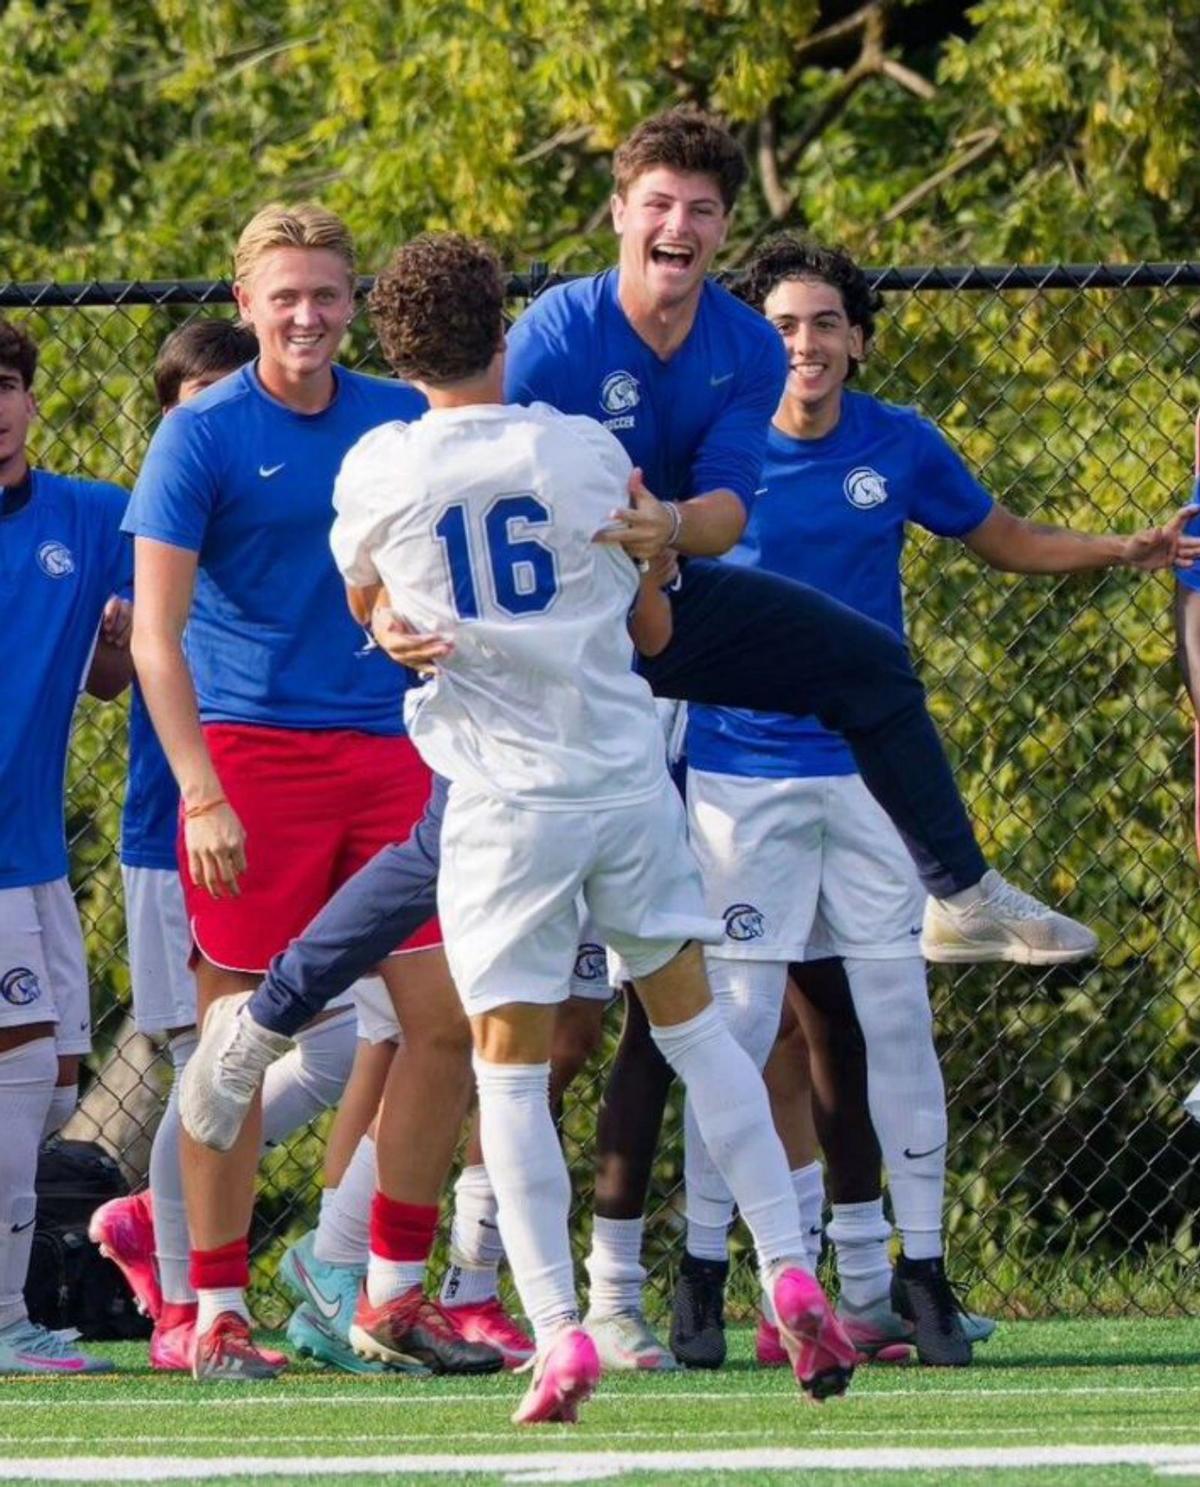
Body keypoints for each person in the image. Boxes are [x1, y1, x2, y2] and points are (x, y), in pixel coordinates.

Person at [179, 108, 1096, 1360]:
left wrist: (648, 543)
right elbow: (567, 542)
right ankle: (627, 1283)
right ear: (613, 218)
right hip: (571, 656)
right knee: (621, 1009)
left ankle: (959, 890)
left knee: (860, 671)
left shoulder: (695, 359)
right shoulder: (564, 377)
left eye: (703, 210)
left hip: (581, 629)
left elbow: (712, 518)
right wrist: (620, 567)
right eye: (659, 203)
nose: (680, 226)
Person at [328, 230, 859, 1422]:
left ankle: (561, 1332)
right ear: (504, 332)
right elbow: (655, 627)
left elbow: (367, 597)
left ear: (394, 351)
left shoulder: (378, 466)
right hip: (621, 781)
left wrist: (388, 622)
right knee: (701, 1033)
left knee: (512, 1078)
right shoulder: (583, 451)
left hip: (503, 805)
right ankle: (788, 1266)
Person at [674, 231, 1200, 1368]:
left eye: (825, 323)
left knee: (896, 1014)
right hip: (736, 776)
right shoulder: (712, 451)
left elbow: (1004, 539)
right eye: (781, 326)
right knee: (738, 1025)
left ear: (858, 341)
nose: (805, 344)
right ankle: (703, 1277)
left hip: (871, 781)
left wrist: (1126, 548)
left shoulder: (899, 441)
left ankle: (920, 1277)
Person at [125, 204, 497, 1381]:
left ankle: (389, 1293)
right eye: (284, 295)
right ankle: (218, 1309)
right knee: (234, 1038)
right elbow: (155, 639)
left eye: (327, 293)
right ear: (245, 303)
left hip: (396, 755)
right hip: (250, 764)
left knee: (445, 1019)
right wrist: (201, 791)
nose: (307, 315)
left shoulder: (400, 418)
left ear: (355, 301)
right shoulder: (200, 436)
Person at [89, 318, 361, 1372]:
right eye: (193, 407)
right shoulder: (159, 540)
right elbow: (121, 669)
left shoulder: (278, 512)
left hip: (285, 818)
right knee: (211, 1059)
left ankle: (160, 1221)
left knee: (337, 1042)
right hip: (183, 835)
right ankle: (185, 1292)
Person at [0, 317, 133, 1374]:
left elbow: (107, 676)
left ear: (31, 400)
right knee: (21, 1068)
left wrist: (125, 640)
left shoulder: (88, 515)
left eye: (5, 383)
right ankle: (5, 1314)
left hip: (37, 851)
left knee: (50, 1088)